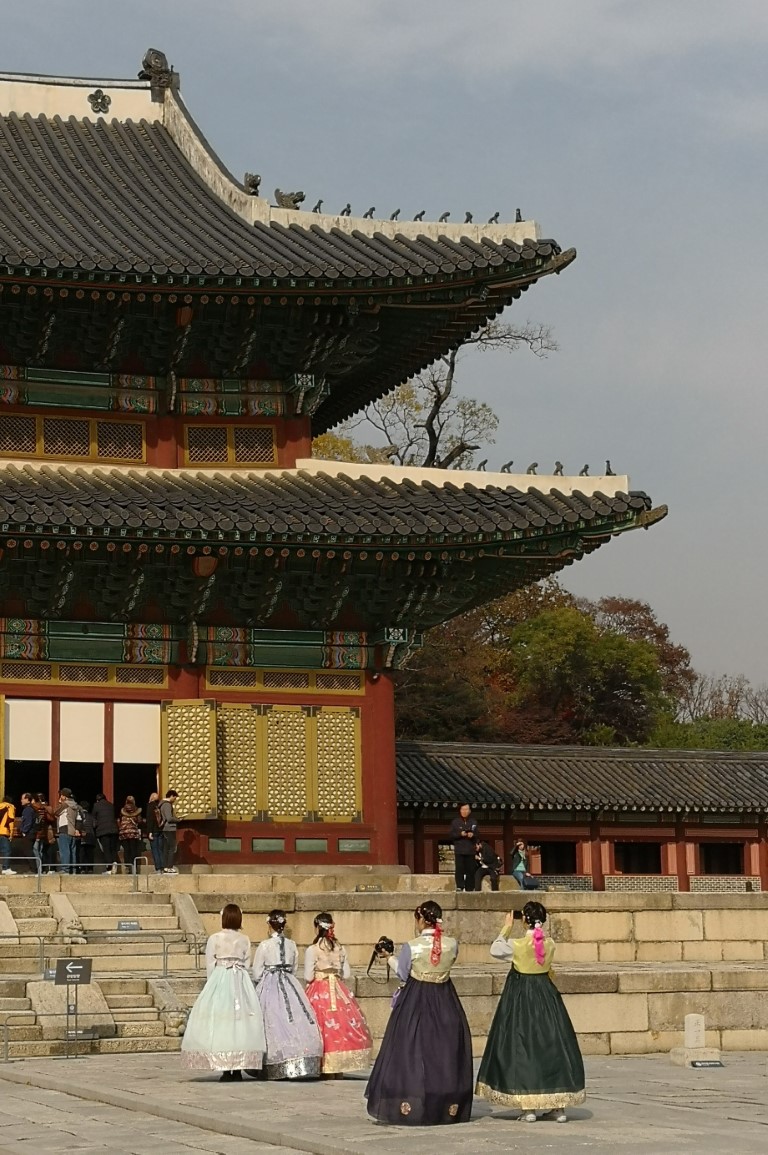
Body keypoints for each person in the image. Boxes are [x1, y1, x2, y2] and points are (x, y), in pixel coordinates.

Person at [365, 900, 473, 1126]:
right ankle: (446, 1104)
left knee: (411, 1050)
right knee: (443, 1050)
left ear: (422, 920)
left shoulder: (412, 946)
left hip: (417, 1000)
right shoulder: (452, 944)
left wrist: (389, 958)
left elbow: (405, 974)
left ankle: (411, 1102)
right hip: (445, 998)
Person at [476, 901, 585, 1122]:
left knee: (524, 1047)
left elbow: (495, 949)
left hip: (522, 998)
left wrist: (506, 927)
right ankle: (559, 1107)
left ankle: (529, 1107)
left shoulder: (517, 944)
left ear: (524, 919)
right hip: (546, 996)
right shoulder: (550, 943)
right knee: (553, 1045)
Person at [181, 902, 265, 1079]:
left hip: (221, 977)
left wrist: (212, 984)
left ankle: (227, 1068)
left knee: (222, 1022)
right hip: (240, 979)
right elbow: (247, 963)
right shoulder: (244, 939)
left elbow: (210, 964)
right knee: (241, 1021)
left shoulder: (215, 938)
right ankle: (238, 1066)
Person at [250, 909, 323, 1080]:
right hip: (290, 983)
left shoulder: (265, 945)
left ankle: (274, 1063)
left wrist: (262, 980)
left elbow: (257, 971)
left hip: (270, 983)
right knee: (295, 1017)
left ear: (270, 925)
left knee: (272, 1020)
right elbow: (295, 967)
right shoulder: (292, 944)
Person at [304, 912, 372, 1074]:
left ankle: (324, 1065)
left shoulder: (313, 949)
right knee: (341, 1025)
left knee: (320, 1024)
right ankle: (338, 1067)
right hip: (337, 988)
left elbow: (308, 976)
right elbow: (346, 974)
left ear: (316, 928)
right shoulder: (340, 948)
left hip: (319, 989)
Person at [448, 803, 478, 892]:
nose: (464, 811)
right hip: (459, 849)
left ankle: (470, 887)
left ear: (470, 811)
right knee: (459, 869)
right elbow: (451, 835)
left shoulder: (473, 822)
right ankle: (460, 886)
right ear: (460, 811)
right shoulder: (455, 822)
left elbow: (478, 835)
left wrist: (472, 835)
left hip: (470, 850)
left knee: (471, 870)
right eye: (463, 809)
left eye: (466, 810)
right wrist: (460, 834)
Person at [92, 793, 119, 874]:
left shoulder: (96, 806)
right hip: (114, 830)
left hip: (103, 831)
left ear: (97, 800)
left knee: (106, 849)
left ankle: (109, 869)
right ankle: (115, 864)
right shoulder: (111, 805)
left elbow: (94, 818)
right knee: (113, 849)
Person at [54, 789, 78, 874]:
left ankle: (65, 869)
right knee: (72, 851)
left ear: (64, 796)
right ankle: (73, 870)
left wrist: (60, 803)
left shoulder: (65, 804)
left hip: (64, 828)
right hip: (72, 829)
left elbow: (56, 812)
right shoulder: (75, 805)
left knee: (64, 850)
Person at [118, 796, 144, 872]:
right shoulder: (136, 809)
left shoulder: (122, 810)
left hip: (124, 833)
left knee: (126, 850)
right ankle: (134, 867)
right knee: (133, 850)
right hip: (133, 832)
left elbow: (119, 820)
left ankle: (127, 866)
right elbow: (139, 821)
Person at [159, 789, 179, 875]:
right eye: (174, 798)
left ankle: (165, 866)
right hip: (169, 828)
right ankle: (169, 867)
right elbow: (169, 818)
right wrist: (178, 820)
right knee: (172, 848)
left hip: (165, 829)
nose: (174, 800)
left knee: (166, 848)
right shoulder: (167, 805)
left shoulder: (162, 804)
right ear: (171, 796)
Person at [76, 801, 96, 874]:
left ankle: (82, 869)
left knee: (82, 854)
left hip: (81, 836)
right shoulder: (91, 816)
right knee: (90, 854)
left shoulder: (78, 815)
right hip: (90, 836)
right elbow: (94, 825)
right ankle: (90, 869)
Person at [146, 791, 164, 874]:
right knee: (160, 850)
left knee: (155, 850)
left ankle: (158, 868)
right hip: (160, 830)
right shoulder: (158, 806)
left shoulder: (150, 806)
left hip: (153, 831)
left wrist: (149, 832)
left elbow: (150, 820)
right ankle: (162, 867)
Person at [19, 793, 36, 873]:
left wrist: (24, 831)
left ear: (27, 799)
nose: (21, 800)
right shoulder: (30, 809)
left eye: (22, 798)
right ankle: (32, 868)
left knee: (28, 851)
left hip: (29, 833)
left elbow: (28, 822)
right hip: (30, 832)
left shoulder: (28, 810)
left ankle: (33, 869)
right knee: (27, 850)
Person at [0, 796, 16, 875]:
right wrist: (11, 834)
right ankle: (6, 868)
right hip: (3, 832)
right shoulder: (10, 807)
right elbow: (10, 820)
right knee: (6, 851)